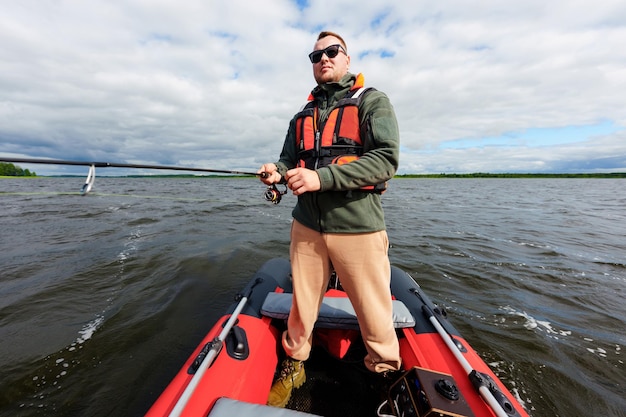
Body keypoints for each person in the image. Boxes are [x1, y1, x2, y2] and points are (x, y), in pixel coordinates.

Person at [258, 31, 401, 408]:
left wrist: (321, 178)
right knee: (302, 306)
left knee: (374, 311)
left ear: (347, 59)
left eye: (332, 51)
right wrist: (277, 171)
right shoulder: (300, 116)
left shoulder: (373, 102)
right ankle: (295, 364)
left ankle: (383, 374)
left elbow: (386, 160)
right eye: (315, 54)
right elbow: (289, 160)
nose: (323, 58)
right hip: (306, 227)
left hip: (359, 228)